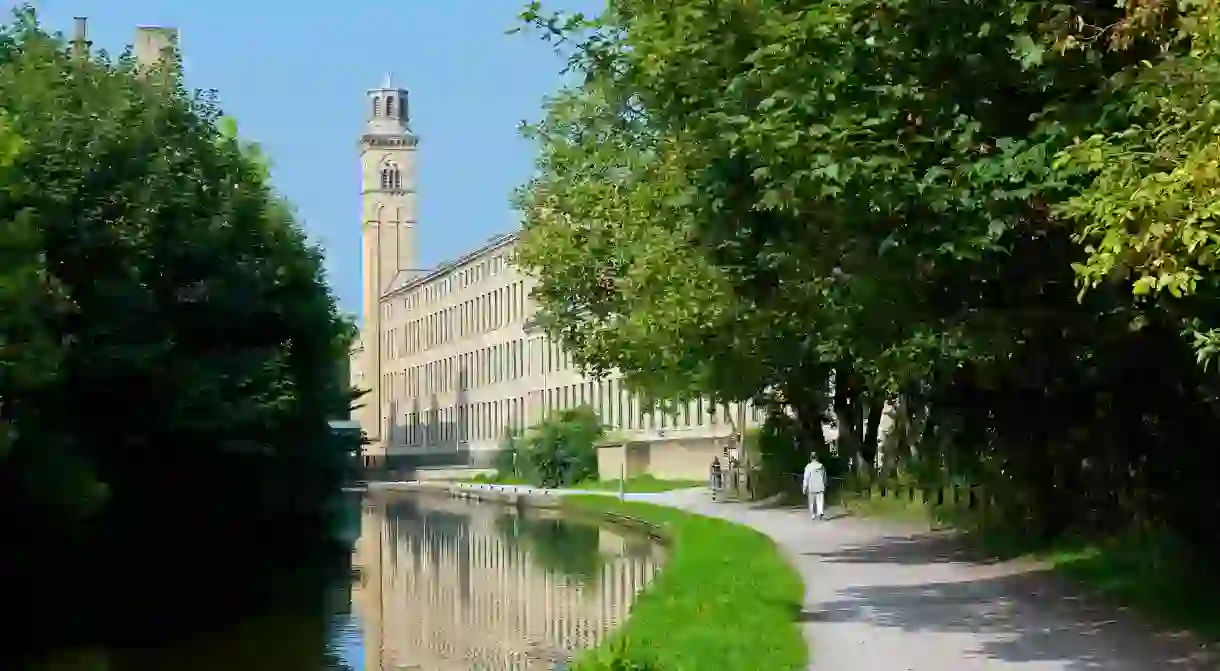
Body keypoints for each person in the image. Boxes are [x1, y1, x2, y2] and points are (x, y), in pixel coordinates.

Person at [802, 453, 827, 520]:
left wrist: (804, 487)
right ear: (817, 457)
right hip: (820, 486)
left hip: (811, 486)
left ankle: (813, 514)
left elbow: (806, 478)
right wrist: (824, 484)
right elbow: (824, 476)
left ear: (811, 458)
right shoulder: (821, 466)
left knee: (811, 502)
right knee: (820, 500)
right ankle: (820, 512)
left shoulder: (808, 466)